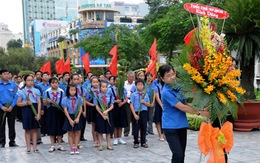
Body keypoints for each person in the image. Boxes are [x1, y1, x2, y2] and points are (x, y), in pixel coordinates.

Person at [158, 64, 209, 163]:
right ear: (163, 79)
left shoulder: (179, 87)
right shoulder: (165, 92)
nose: (172, 77)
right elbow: (182, 107)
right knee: (177, 154)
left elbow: (186, 103)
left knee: (182, 155)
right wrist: (201, 113)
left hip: (181, 125)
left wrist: (202, 108)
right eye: (168, 76)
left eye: (173, 74)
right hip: (170, 127)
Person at [17, 74, 41, 154]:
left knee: (34, 129)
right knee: (27, 129)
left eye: (32, 80)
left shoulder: (36, 91)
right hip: (26, 109)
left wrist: (38, 113)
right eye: (28, 80)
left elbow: (39, 103)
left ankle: (35, 147)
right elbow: (18, 103)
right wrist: (26, 103)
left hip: (34, 108)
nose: (30, 82)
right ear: (25, 81)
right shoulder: (21, 91)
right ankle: (28, 147)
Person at [43, 77, 66, 152]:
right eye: (53, 82)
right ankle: (52, 145)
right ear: (50, 84)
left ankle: (59, 144)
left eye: (56, 82)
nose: (55, 84)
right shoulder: (47, 92)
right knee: (51, 127)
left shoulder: (62, 91)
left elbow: (64, 101)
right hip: (51, 111)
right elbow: (44, 103)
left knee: (59, 127)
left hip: (59, 110)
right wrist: (47, 101)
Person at [130, 78, 152, 148]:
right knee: (136, 127)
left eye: (141, 85)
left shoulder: (145, 94)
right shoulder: (133, 95)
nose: (140, 86)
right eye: (138, 85)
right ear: (136, 86)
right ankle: (136, 142)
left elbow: (149, 104)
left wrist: (144, 102)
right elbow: (131, 105)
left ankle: (143, 141)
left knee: (143, 127)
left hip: (144, 112)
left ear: (143, 86)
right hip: (136, 112)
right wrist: (134, 114)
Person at [62, 84, 83, 155]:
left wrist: (78, 118)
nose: (73, 92)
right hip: (69, 116)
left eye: (74, 90)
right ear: (68, 90)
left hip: (76, 116)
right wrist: (70, 119)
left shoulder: (79, 98)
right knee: (70, 133)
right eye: (71, 90)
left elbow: (80, 109)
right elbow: (65, 110)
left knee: (77, 132)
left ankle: (76, 147)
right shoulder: (65, 99)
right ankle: (71, 148)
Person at [0, 69, 19, 148]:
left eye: (8, 74)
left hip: (11, 107)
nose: (7, 75)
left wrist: (12, 106)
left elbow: (16, 96)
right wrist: (1, 106)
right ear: (0, 75)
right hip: (1, 107)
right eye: (4, 74)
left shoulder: (13, 84)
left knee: (11, 124)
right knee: (1, 125)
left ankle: (12, 141)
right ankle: (1, 142)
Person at [94, 80, 114, 151]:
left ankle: (109, 144)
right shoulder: (97, 96)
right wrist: (102, 114)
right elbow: (96, 106)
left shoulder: (110, 96)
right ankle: (100, 144)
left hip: (108, 114)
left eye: (106, 87)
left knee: (108, 130)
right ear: (100, 87)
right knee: (100, 130)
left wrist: (107, 111)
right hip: (100, 115)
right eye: (103, 87)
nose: (104, 88)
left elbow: (112, 106)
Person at [110, 76, 127, 145]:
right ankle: (115, 138)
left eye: (119, 81)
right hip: (114, 106)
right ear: (114, 81)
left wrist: (122, 102)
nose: (118, 82)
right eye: (116, 81)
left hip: (121, 106)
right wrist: (115, 101)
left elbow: (126, 99)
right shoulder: (111, 89)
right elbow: (109, 99)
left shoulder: (123, 89)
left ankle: (119, 137)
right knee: (115, 122)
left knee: (121, 122)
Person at [85, 76, 99, 147]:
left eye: (97, 82)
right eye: (94, 82)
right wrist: (92, 105)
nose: (95, 84)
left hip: (99, 108)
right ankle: (95, 140)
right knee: (94, 125)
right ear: (91, 83)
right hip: (92, 108)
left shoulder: (101, 90)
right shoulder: (89, 91)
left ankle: (99, 139)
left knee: (99, 124)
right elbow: (86, 100)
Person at [38, 72, 51, 137]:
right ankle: (42, 131)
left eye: (47, 75)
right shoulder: (39, 85)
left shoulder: (51, 84)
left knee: (49, 118)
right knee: (42, 118)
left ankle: (49, 131)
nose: (46, 77)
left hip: (50, 104)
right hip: (42, 103)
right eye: (44, 76)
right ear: (42, 77)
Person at [123, 71, 135, 137]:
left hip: (134, 102)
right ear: (127, 77)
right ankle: (126, 131)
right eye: (130, 77)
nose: (131, 78)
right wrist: (126, 100)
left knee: (134, 116)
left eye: (132, 77)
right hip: (126, 101)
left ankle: (134, 131)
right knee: (127, 116)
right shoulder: (124, 84)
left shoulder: (135, 84)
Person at [154, 75, 165, 141]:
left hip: (166, 104)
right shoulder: (157, 86)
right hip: (159, 105)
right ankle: (160, 134)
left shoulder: (167, 86)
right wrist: (162, 105)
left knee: (164, 120)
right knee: (158, 120)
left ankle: (164, 134)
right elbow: (157, 97)